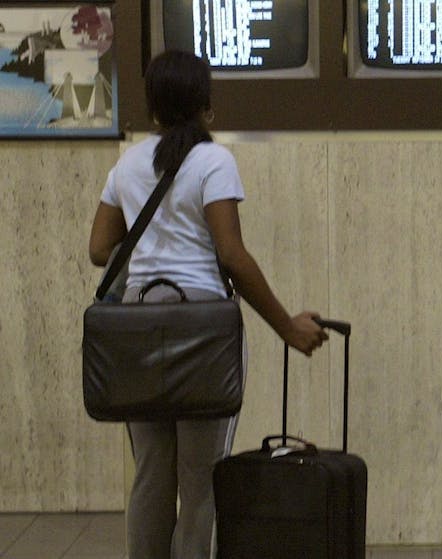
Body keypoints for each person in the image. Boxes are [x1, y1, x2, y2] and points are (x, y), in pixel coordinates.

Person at [87, 50, 328, 559]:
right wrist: (286, 326)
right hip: (203, 331)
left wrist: (154, 251)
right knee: (200, 478)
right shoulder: (213, 161)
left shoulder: (127, 163)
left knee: (152, 472)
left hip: (138, 325)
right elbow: (231, 255)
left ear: (153, 107)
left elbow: (98, 251)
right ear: (205, 105)